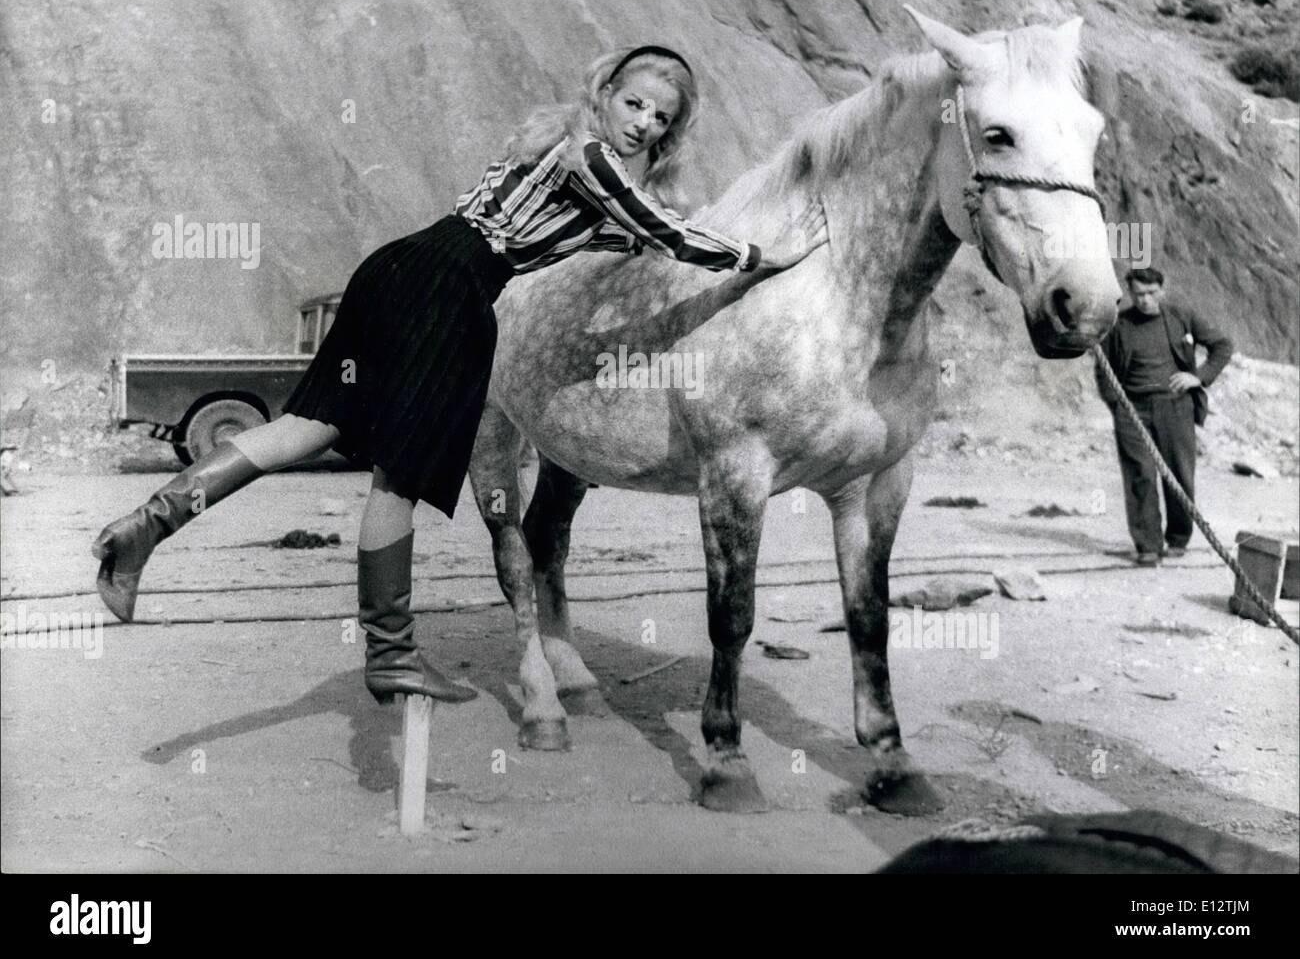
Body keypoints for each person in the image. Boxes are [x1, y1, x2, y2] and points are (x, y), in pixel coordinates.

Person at [92, 44, 828, 703]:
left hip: (402, 266)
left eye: (661, 117)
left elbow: (629, 237)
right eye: (634, 102)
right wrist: (758, 259)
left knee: (304, 428)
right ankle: (390, 655)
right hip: (453, 290)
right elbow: (665, 232)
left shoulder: (557, 162)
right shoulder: (591, 158)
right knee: (398, 479)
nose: (643, 123)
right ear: (602, 93)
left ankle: (143, 527)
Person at [1095, 267, 1233, 566]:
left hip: (1175, 406)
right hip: (1132, 409)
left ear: (1162, 290)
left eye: (1151, 293)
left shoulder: (1181, 315)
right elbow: (1103, 367)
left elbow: (1222, 346)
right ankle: (1148, 545)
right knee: (1139, 475)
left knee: (1180, 473)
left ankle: (1178, 538)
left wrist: (1199, 377)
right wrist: (1117, 407)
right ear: (1130, 293)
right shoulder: (1120, 323)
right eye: (1138, 294)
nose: (1145, 300)